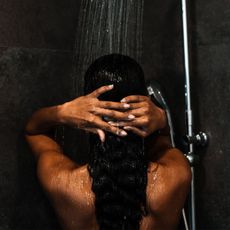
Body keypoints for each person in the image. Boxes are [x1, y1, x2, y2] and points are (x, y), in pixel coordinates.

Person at [25, 54, 191, 230]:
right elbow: (163, 144)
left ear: (85, 110)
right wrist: (161, 118)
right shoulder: (176, 176)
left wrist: (61, 112)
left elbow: (34, 132)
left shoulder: (63, 183)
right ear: (144, 103)